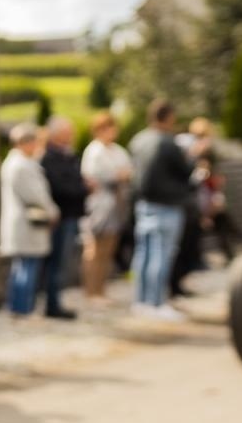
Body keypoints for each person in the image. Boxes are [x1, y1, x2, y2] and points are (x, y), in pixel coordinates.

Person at [128, 98, 194, 320]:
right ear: (167, 117)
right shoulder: (167, 142)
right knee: (161, 255)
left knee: (143, 254)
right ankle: (156, 303)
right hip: (166, 205)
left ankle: (141, 301)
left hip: (143, 203)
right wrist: (193, 157)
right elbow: (185, 171)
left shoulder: (138, 140)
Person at [0, 123, 57, 318]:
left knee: (22, 266)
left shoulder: (17, 163)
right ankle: (23, 309)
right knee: (27, 268)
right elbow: (36, 195)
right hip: (27, 223)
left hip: (23, 223)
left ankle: (18, 307)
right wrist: (52, 210)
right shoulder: (20, 165)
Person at [79, 111, 131, 303]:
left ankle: (101, 289)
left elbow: (127, 171)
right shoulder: (94, 151)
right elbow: (98, 177)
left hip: (116, 205)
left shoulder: (117, 150)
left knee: (109, 249)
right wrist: (118, 175)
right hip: (99, 206)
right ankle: (91, 291)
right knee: (95, 249)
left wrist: (120, 175)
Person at [37, 117, 85, 320]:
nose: (71, 136)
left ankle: (55, 302)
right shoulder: (49, 158)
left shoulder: (68, 155)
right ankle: (52, 304)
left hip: (69, 215)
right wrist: (83, 188)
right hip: (60, 218)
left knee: (61, 263)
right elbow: (59, 187)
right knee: (55, 263)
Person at [169, 116, 215, 297]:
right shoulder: (184, 145)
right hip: (183, 206)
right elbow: (185, 176)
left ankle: (178, 283)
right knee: (182, 247)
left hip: (191, 206)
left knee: (188, 246)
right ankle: (174, 284)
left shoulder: (193, 149)